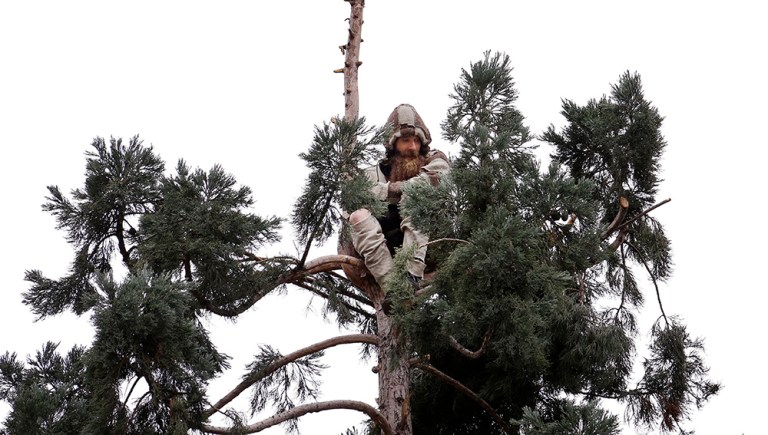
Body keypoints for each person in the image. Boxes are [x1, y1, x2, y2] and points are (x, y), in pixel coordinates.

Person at [348, 104, 450, 290]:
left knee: (416, 194)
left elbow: (432, 182)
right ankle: (395, 290)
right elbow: (357, 196)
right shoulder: (374, 174)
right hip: (387, 251)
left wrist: (388, 191)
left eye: (416, 141)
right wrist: (389, 191)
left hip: (432, 245)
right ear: (393, 144)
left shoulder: (436, 159)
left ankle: (411, 276)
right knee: (357, 217)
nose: (412, 147)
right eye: (406, 140)